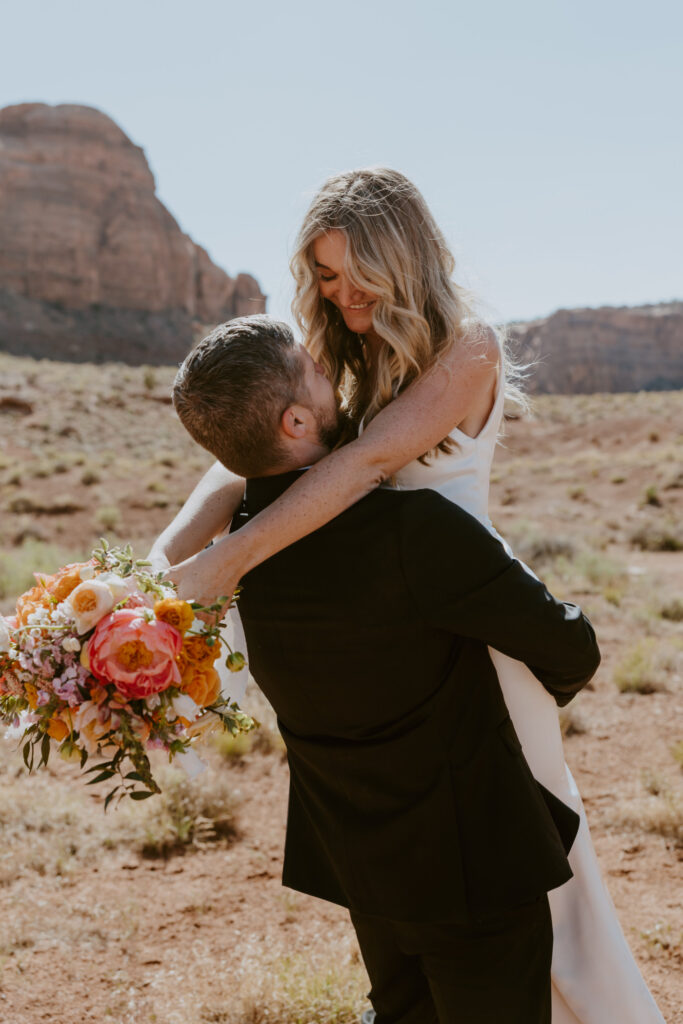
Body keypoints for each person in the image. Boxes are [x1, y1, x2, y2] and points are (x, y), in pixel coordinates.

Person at [152, 169, 666, 1024]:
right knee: (454, 879)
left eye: (358, 273)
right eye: (322, 274)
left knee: (532, 863)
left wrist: (224, 566)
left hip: (479, 626)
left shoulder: (468, 351)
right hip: (394, 624)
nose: (340, 293)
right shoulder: (336, 360)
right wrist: (160, 564)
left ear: (406, 258)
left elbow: (362, 466)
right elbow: (236, 463)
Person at [171, 314, 601, 1024]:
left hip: (358, 868)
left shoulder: (234, 562)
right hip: (474, 870)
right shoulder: (414, 532)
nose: (330, 369)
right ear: (296, 421)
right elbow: (571, 648)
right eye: (312, 370)